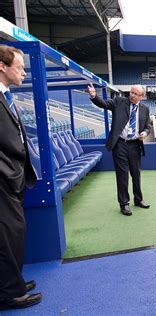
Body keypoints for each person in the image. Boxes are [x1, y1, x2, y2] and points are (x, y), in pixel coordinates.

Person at [0, 44, 42, 310]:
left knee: (13, 234)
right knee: (8, 235)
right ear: (2, 67)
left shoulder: (4, 96)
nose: (25, 72)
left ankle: (12, 281)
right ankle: (9, 293)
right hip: (3, 179)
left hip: (11, 178)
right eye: (20, 67)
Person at [88, 83, 152, 216]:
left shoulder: (145, 109)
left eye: (135, 94)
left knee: (136, 174)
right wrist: (94, 96)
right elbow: (104, 104)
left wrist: (145, 133)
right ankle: (124, 204)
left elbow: (148, 126)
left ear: (142, 96)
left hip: (135, 145)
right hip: (120, 145)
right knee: (122, 175)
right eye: (131, 92)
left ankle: (138, 199)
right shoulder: (119, 101)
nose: (132, 95)